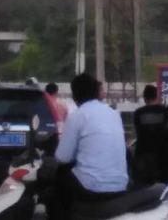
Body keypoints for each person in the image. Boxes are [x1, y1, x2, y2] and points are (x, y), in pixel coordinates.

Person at [47, 72, 128, 220]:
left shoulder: (77, 116)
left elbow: (62, 157)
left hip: (91, 188)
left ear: (75, 95)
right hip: (120, 185)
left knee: (58, 178)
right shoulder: (114, 114)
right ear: (96, 92)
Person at [133, 84, 167, 184]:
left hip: (142, 152)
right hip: (160, 154)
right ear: (157, 96)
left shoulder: (138, 113)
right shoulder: (164, 111)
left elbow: (137, 130)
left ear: (144, 97)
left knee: (142, 184)